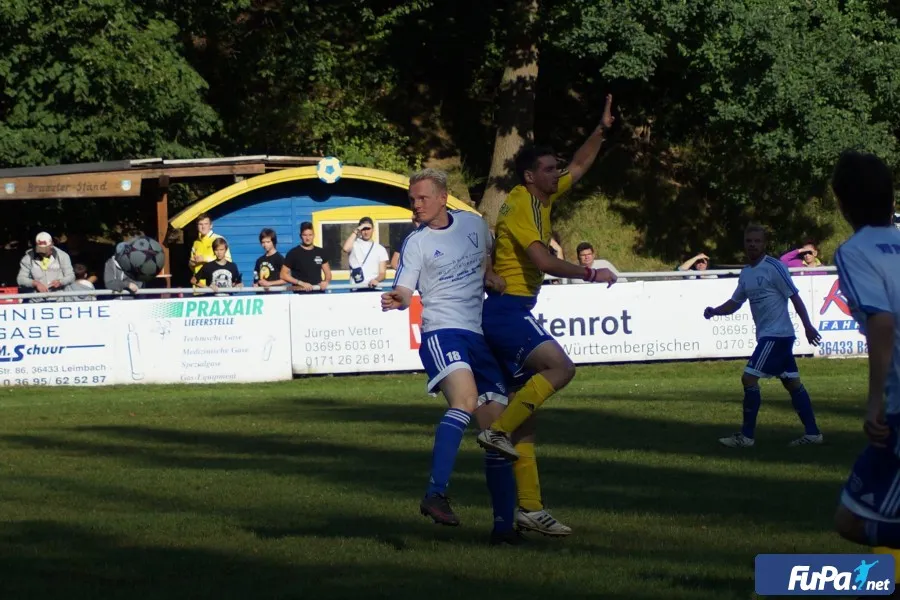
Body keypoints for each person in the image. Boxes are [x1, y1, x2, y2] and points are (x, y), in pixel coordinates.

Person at [480, 94, 618, 537]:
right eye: (548, 168)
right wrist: (589, 272)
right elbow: (542, 261)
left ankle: (530, 509)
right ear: (528, 175)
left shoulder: (543, 195)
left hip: (510, 309)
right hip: (506, 311)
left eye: (555, 167)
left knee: (527, 425)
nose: (557, 173)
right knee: (561, 368)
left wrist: (601, 129)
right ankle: (495, 431)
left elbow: (580, 164)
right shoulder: (522, 203)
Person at [381, 168, 522, 545]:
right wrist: (398, 299)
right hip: (442, 332)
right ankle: (435, 493)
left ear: (443, 197)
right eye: (412, 199)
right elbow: (405, 289)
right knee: (465, 399)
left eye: (422, 198)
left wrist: (490, 275)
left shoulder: (474, 225)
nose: (416, 205)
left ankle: (504, 529)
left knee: (496, 432)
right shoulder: (416, 242)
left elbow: (486, 259)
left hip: (477, 336)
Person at [829, 152, 900, 555]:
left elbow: (881, 321)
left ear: (842, 204)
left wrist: (874, 404)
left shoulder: (855, 251)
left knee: (852, 520)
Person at [703, 224, 823, 448]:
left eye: (757, 241)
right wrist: (715, 311)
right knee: (792, 383)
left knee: (748, 378)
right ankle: (813, 434)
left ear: (764, 244)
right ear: (744, 244)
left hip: (776, 336)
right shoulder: (746, 273)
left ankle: (746, 437)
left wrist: (808, 326)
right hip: (771, 336)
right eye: (749, 241)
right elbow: (735, 302)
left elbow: (795, 297)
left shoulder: (774, 267)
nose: (752, 245)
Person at [17, 232, 75, 300]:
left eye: (45, 250)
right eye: (40, 250)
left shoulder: (63, 256)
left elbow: (71, 276)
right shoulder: (28, 258)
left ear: (51, 245)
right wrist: (35, 283)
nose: (43, 253)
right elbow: (20, 279)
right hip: (36, 300)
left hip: (58, 300)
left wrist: (61, 282)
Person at [281, 222, 332, 292]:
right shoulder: (293, 253)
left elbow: (328, 274)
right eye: (304, 235)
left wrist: (326, 282)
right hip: (300, 294)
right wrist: (301, 283)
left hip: (318, 294)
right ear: (300, 236)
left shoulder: (321, 252)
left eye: (310, 235)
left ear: (314, 235)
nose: (308, 238)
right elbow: (283, 274)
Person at [342, 217, 388, 290]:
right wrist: (356, 230)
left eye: (368, 229)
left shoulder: (380, 249)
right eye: (363, 229)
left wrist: (376, 280)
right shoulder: (354, 244)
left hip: (373, 288)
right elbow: (345, 249)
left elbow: (382, 273)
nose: (366, 232)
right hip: (356, 288)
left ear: (373, 229)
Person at [188, 213, 231, 279]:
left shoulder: (218, 239)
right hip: (198, 283)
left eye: (206, 224)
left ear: (211, 225)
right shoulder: (196, 243)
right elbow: (192, 267)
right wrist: (191, 263)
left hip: (214, 282)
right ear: (197, 226)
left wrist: (205, 259)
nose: (203, 227)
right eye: (200, 224)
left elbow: (228, 261)